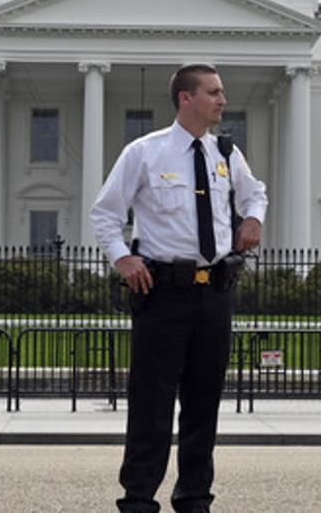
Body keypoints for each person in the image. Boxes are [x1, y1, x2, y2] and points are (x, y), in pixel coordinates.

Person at [90, 64, 268, 513]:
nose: (221, 100)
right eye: (213, 92)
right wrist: (122, 257)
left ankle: (193, 498)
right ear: (185, 98)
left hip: (215, 293)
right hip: (163, 292)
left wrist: (252, 218)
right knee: (151, 404)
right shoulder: (144, 153)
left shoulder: (226, 152)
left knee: (203, 403)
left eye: (222, 92)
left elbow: (255, 193)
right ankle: (138, 498)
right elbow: (106, 214)